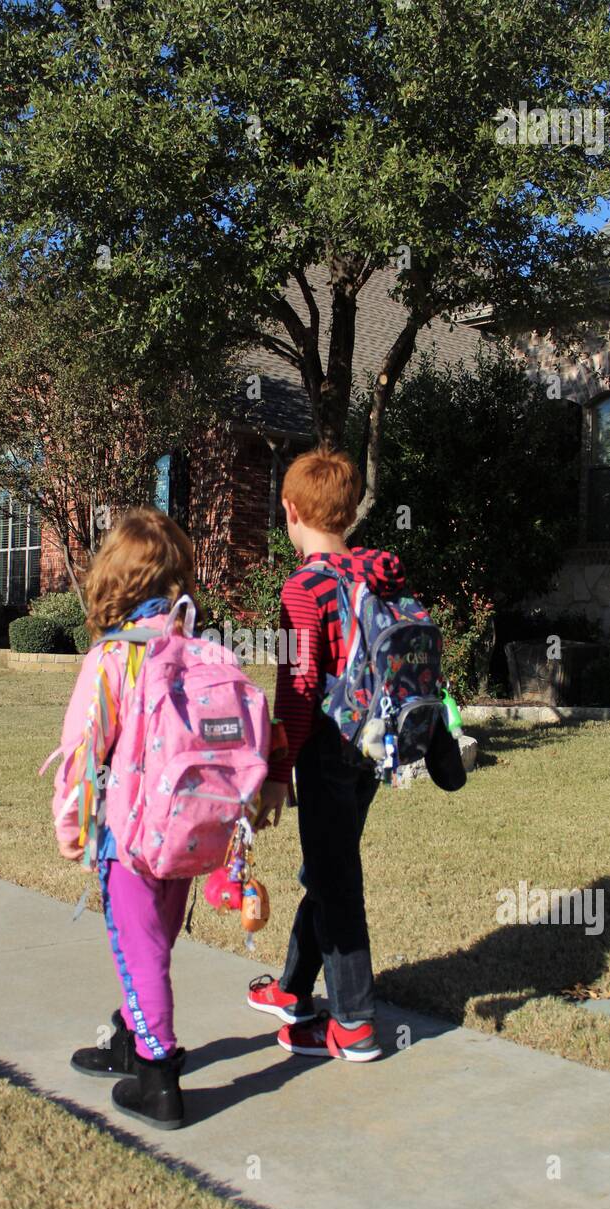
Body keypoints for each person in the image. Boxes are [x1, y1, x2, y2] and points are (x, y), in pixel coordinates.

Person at [250, 447, 409, 1062]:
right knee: (329, 863)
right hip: (377, 742)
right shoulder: (382, 571)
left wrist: (275, 773)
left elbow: (298, 688)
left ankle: (353, 1024)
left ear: (291, 511)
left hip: (325, 747)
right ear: (346, 512)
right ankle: (292, 989)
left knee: (335, 876)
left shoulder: (302, 589)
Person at [51, 509, 196, 1130]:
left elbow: (81, 752)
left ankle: (158, 1079)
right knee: (152, 945)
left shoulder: (112, 658)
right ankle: (126, 1036)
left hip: (131, 838)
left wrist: (70, 826)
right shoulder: (194, 645)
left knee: (140, 953)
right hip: (188, 832)